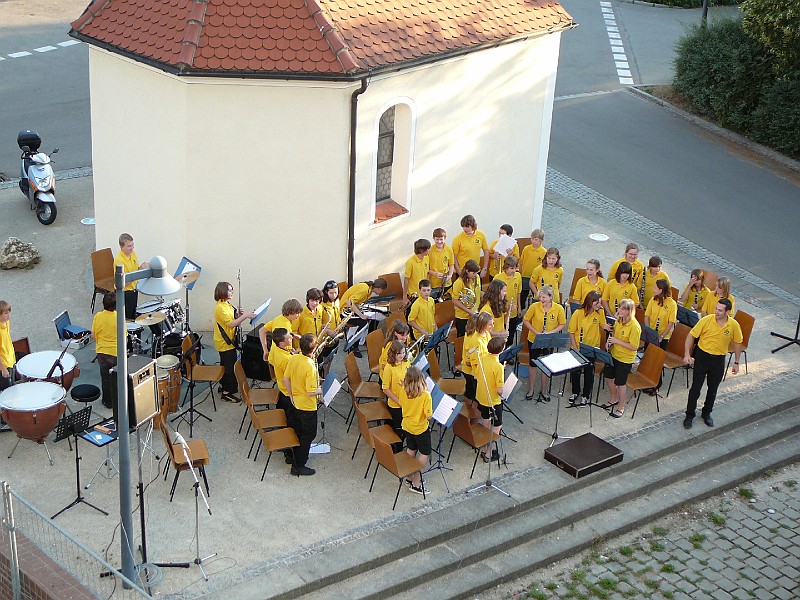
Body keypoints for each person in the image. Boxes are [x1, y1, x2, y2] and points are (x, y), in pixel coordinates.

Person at [683, 298, 742, 429]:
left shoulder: (733, 325)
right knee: (695, 388)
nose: (716, 312)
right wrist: (687, 354)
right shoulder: (706, 320)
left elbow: (738, 342)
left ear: (727, 311)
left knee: (713, 389)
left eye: (720, 310)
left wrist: (736, 362)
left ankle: (706, 413)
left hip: (718, 359)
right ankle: (689, 414)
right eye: (716, 308)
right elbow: (691, 335)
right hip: (702, 356)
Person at [214, 282, 256, 402]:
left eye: (232, 289)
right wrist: (246, 316)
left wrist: (239, 314)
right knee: (230, 368)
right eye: (229, 290)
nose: (232, 292)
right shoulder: (220, 308)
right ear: (222, 291)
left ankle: (223, 386)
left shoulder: (226, 304)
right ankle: (227, 392)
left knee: (225, 364)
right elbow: (231, 324)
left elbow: (233, 318)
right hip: (224, 343)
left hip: (227, 341)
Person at [522, 286, 566, 401]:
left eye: (544, 297)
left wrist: (550, 333)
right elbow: (526, 320)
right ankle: (531, 389)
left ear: (551, 297)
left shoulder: (558, 309)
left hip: (549, 340)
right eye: (540, 297)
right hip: (534, 339)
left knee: (546, 365)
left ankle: (544, 391)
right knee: (533, 365)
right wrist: (536, 332)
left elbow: (562, 324)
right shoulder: (534, 306)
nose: (541, 300)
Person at [284, 334, 319, 476]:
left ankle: (292, 456)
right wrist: (320, 389)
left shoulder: (294, 357)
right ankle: (299, 465)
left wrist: (291, 395)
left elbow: (286, 378)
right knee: (308, 435)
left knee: (297, 431)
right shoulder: (310, 367)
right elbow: (311, 392)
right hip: (307, 406)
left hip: (295, 402)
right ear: (313, 349)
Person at [567, 291, 610, 406]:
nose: (599, 305)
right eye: (597, 302)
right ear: (590, 301)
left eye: (600, 303)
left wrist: (613, 326)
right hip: (577, 347)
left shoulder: (600, 312)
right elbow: (571, 332)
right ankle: (575, 392)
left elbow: (603, 325)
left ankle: (586, 395)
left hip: (591, 348)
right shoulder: (578, 313)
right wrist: (575, 348)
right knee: (575, 372)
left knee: (589, 373)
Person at [604, 298, 641, 418]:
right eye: (619, 307)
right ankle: (613, 398)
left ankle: (621, 407)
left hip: (625, 359)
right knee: (608, 377)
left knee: (620, 383)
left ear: (629, 311)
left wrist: (617, 341)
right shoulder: (619, 320)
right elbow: (614, 333)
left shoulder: (635, 326)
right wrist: (609, 342)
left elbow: (634, 347)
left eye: (623, 309)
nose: (619, 310)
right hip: (614, 353)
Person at [398, 367, 433, 495]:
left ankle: (408, 476)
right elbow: (428, 415)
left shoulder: (403, 390)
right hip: (420, 429)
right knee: (425, 453)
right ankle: (416, 482)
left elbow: (402, 403)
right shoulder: (425, 395)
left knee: (411, 449)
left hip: (407, 426)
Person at [644, 279, 678, 393]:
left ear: (661, 290)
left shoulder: (672, 304)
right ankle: (646, 381)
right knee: (648, 358)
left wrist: (661, 336)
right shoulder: (653, 300)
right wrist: (649, 331)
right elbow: (647, 316)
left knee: (657, 361)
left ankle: (656, 384)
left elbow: (671, 323)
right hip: (651, 334)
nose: (653, 289)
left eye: (655, 288)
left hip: (663, 336)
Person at [475, 337, 506, 462]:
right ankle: (489, 452)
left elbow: (476, 376)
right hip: (493, 401)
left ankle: (484, 447)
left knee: (486, 421)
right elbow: (499, 390)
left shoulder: (482, 358)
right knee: (497, 426)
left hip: (481, 397)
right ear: (501, 350)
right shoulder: (498, 367)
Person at [340, 278, 389, 356]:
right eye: (382, 290)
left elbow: (357, 303)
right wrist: (361, 315)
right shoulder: (365, 289)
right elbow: (349, 302)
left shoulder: (368, 290)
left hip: (350, 309)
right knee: (363, 324)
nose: (381, 292)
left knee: (373, 317)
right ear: (379, 288)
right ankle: (354, 346)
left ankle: (368, 340)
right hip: (344, 311)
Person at [462, 312, 493, 418]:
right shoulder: (474, 339)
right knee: (474, 395)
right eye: (489, 324)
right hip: (473, 371)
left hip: (480, 369)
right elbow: (469, 361)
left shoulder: (486, 334)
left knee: (472, 393)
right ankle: (470, 416)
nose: (492, 327)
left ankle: (472, 414)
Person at [114, 233, 150, 321]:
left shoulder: (132, 254)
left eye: (133, 245)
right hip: (125, 293)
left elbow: (134, 270)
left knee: (133, 313)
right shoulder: (119, 261)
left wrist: (142, 268)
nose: (132, 248)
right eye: (129, 246)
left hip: (133, 289)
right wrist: (139, 271)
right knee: (128, 318)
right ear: (121, 247)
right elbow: (123, 283)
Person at [382, 340, 410, 446]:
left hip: (406, 401)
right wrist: (399, 401)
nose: (402, 355)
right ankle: (397, 449)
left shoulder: (407, 363)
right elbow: (385, 389)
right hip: (396, 404)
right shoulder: (389, 368)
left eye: (403, 353)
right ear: (393, 354)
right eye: (399, 353)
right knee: (398, 428)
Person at [493, 256, 522, 347]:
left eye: (515, 268)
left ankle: (508, 352)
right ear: (505, 267)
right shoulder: (498, 277)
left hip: (512, 311)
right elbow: (494, 295)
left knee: (511, 334)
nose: (514, 271)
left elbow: (518, 293)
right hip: (502, 311)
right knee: (502, 335)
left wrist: (519, 308)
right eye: (511, 268)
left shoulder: (518, 276)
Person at [451, 214, 489, 279]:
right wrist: (459, 272)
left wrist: (485, 268)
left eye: (467, 226)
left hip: (476, 271)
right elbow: (454, 257)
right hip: (463, 272)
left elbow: (486, 251)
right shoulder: (457, 239)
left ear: (473, 225)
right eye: (463, 227)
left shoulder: (481, 235)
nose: (465, 229)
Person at [451, 259, 481, 337]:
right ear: (467, 271)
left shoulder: (477, 277)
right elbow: (454, 300)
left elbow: (477, 292)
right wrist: (468, 311)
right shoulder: (458, 283)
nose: (475, 275)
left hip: (475, 312)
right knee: (463, 339)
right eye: (473, 273)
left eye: (476, 273)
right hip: (463, 316)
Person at [519, 229, 546, 306]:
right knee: (522, 296)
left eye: (536, 239)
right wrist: (520, 273)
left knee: (536, 297)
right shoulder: (526, 249)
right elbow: (521, 262)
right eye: (532, 239)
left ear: (541, 240)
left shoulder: (544, 252)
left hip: (536, 279)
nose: (533, 241)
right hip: (525, 276)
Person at [403, 239, 431, 305]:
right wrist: (404, 297)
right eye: (428, 249)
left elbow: (427, 273)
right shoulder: (410, 262)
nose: (429, 250)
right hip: (414, 295)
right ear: (422, 251)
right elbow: (406, 280)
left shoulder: (426, 258)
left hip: (424, 293)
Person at [428, 228, 454, 297]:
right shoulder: (429, 251)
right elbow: (425, 268)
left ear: (445, 238)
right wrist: (434, 273)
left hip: (447, 283)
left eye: (441, 239)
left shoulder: (449, 250)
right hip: (434, 284)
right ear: (433, 238)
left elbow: (451, 264)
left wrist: (450, 275)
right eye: (437, 239)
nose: (439, 242)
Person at [0, 300, 15, 392]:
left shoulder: (6, 322)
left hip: (10, 360)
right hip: (3, 366)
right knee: (7, 393)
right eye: (5, 313)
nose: (8, 315)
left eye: (9, 312)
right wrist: (3, 369)